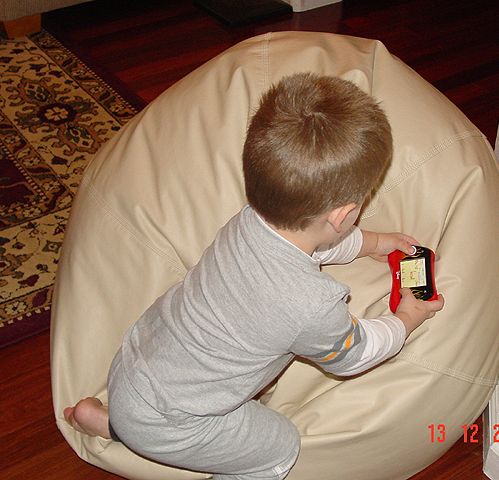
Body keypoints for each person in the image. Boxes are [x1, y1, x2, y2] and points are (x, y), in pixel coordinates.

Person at [64, 72, 445, 480]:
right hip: (173, 419)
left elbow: (318, 243)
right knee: (279, 448)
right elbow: (355, 354)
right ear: (344, 215)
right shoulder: (312, 305)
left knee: (165, 407)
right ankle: (131, 430)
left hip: (132, 367)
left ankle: (112, 424)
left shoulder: (248, 221)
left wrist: (375, 243)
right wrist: (407, 317)